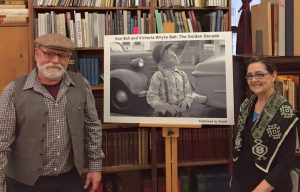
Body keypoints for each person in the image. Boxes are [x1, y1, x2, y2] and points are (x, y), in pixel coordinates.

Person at [0, 33, 105, 192]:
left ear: (68, 58)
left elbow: (93, 127)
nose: (55, 61)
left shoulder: (81, 85)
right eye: (48, 53)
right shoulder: (13, 91)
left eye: (62, 55)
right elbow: (1, 143)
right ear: (36, 53)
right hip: (24, 183)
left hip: (69, 179)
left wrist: (95, 167)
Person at [231, 56, 298, 192]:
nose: (254, 80)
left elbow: (286, 161)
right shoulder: (246, 106)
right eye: (250, 76)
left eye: (260, 74)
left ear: (273, 76)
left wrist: (261, 189)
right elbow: (241, 148)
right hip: (242, 183)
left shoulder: (285, 112)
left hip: (271, 187)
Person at [146, 43, 194, 117]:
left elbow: (189, 93)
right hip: (164, 116)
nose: (175, 56)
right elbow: (151, 97)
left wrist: (186, 102)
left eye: (173, 52)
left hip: (181, 116)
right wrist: (166, 106)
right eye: (170, 57)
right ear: (162, 64)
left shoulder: (183, 75)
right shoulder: (158, 76)